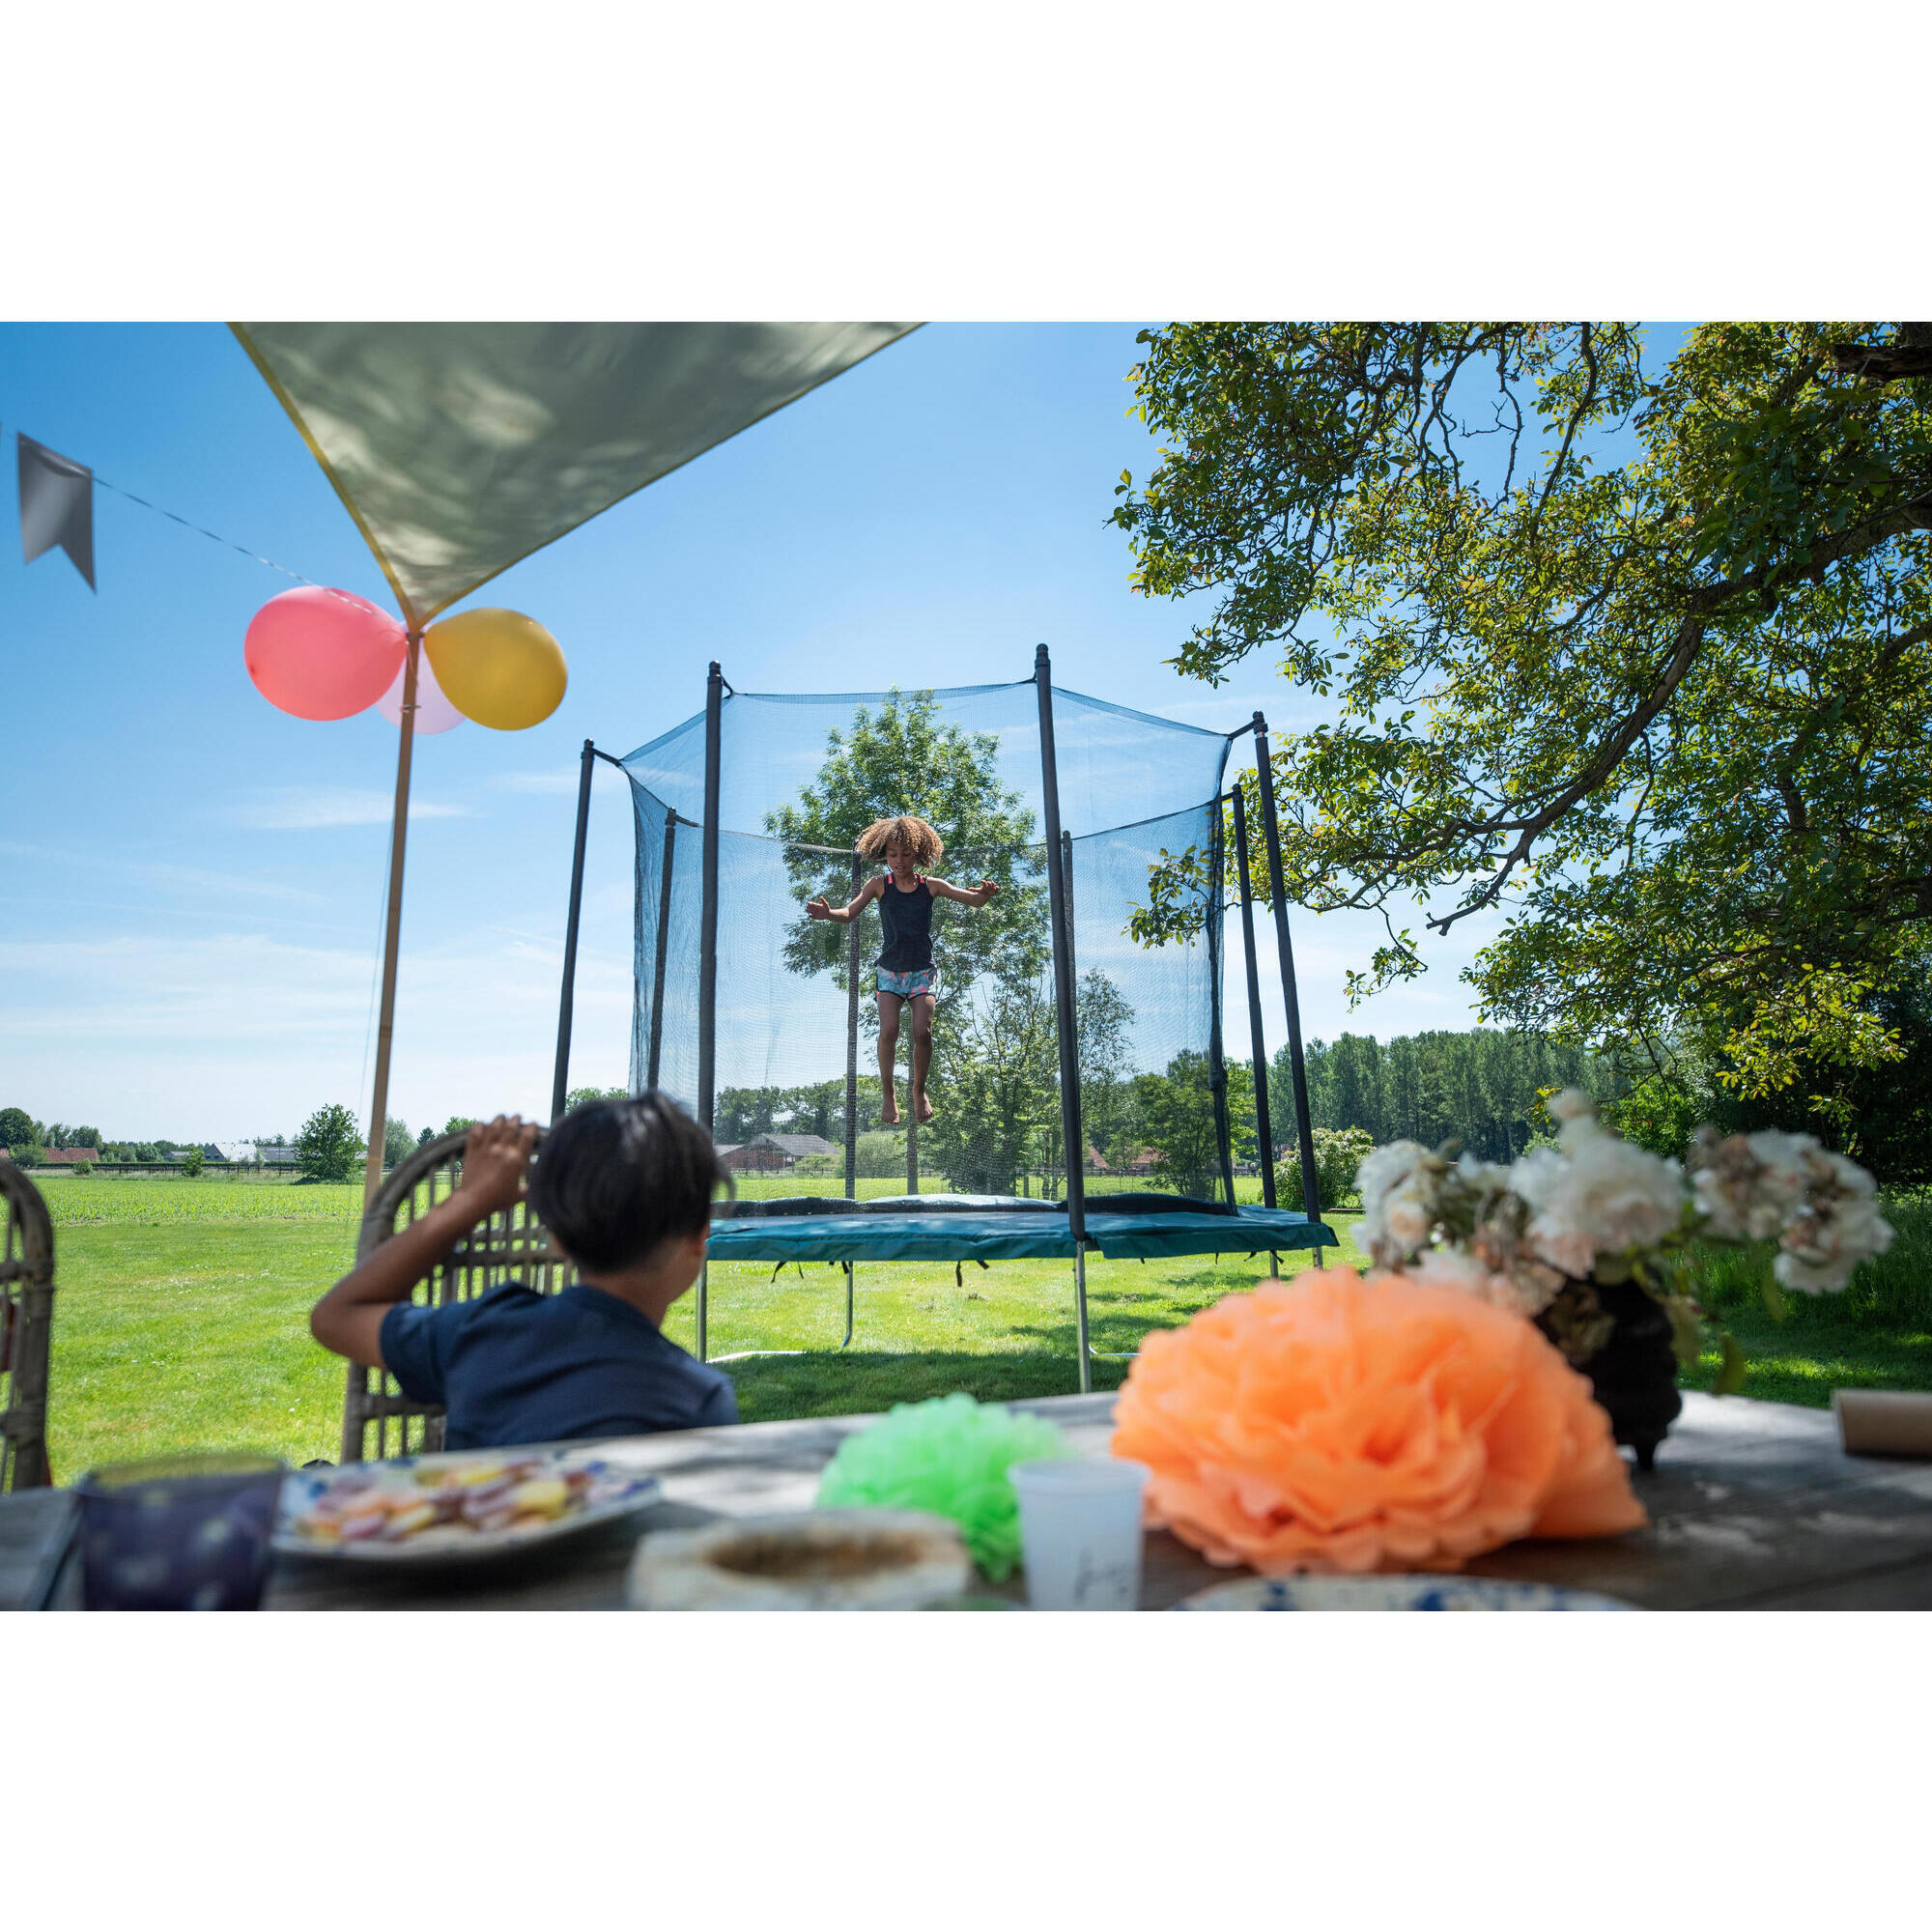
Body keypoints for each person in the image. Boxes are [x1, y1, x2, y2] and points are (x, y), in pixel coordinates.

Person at [308, 1100, 736, 1449]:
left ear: (556, 1240)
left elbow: (337, 1316)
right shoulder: (697, 1399)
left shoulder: (480, 1332)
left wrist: (471, 1200)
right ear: (699, 1238)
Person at [804, 812, 998, 1124]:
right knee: (890, 1030)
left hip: (922, 971)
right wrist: (828, 914)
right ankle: (888, 1095)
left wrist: (985, 895)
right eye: (893, 854)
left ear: (918, 853)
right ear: (884, 853)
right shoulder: (878, 885)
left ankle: (919, 1090)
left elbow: (973, 901)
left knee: (923, 1031)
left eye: (906, 854)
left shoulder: (931, 886)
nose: (899, 860)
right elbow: (849, 913)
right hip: (890, 973)